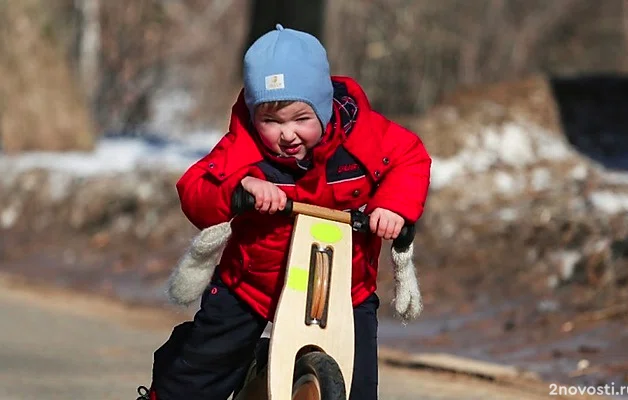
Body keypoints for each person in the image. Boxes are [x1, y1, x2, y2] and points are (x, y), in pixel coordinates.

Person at [137, 23, 431, 400]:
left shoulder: (363, 136)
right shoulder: (244, 148)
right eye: (270, 121)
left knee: (356, 385)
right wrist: (238, 189)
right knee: (199, 371)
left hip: (344, 288)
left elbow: (409, 158)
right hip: (254, 284)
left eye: (300, 119)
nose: (286, 134)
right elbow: (195, 189)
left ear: (324, 108)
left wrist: (392, 206)